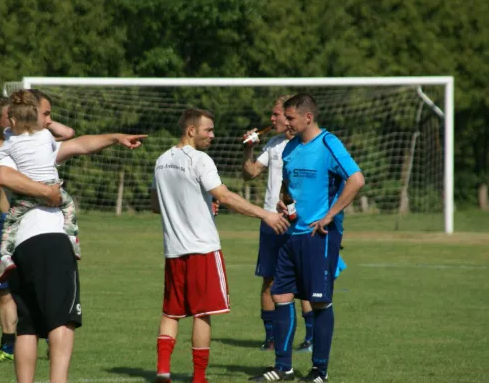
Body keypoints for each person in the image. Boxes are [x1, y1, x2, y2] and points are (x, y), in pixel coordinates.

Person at [0, 95, 146, 383]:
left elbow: (80, 144)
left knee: (27, 326)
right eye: (46, 115)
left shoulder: (9, 146)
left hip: (18, 245)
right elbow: (5, 177)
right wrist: (48, 192)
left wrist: (115, 137)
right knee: (62, 320)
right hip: (49, 239)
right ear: (33, 117)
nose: (49, 120)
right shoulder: (40, 143)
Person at [151, 108, 290, 383]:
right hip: (202, 249)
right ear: (191, 130)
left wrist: (200, 204)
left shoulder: (161, 160)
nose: (212, 135)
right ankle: (199, 377)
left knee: (171, 312)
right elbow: (224, 195)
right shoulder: (200, 159)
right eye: (208, 130)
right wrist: (266, 215)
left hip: (173, 250)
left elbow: (157, 205)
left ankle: (163, 371)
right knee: (202, 314)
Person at [250, 94, 364, 382]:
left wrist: (329, 215)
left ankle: (319, 371)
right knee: (280, 295)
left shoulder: (328, 144)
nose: (285, 123)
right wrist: (283, 204)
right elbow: (290, 190)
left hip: (320, 235)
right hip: (291, 234)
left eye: (289, 118)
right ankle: (283, 367)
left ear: (307, 117)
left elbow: (356, 179)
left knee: (319, 302)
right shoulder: (288, 149)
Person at [0, 93, 75, 364]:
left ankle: (45, 338)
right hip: (8, 220)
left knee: (39, 287)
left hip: (34, 220)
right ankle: (8, 343)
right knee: (4, 288)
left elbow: (69, 136)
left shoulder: (37, 140)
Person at [242, 95, 316, 352]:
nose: (272, 119)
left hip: (297, 221)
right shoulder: (273, 144)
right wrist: (249, 147)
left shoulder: (305, 145)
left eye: (276, 114)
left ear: (290, 116)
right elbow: (250, 173)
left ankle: (310, 338)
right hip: (270, 221)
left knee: (304, 280)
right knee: (269, 279)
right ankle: (271, 338)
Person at [0, 91, 80, 282]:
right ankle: (72, 238)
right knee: (69, 205)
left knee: (10, 223)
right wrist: (47, 123)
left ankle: (5, 257)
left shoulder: (11, 142)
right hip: (53, 189)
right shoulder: (46, 136)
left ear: (12, 122)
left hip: (28, 195)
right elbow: (68, 134)